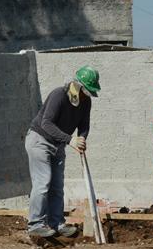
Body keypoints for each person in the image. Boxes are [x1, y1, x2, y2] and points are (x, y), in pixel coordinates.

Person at [25, 65, 101, 239]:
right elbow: (46, 124)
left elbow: (84, 125)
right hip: (40, 140)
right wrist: (70, 139)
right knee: (43, 182)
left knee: (57, 186)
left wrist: (82, 138)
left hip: (58, 144)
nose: (86, 95)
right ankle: (35, 224)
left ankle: (56, 223)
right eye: (85, 91)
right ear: (78, 86)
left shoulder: (85, 102)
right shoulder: (59, 95)